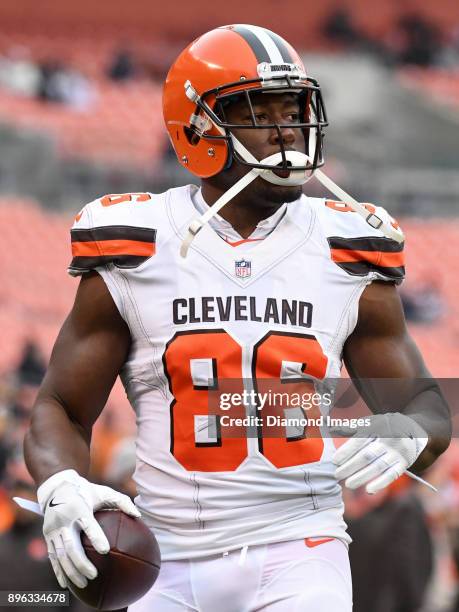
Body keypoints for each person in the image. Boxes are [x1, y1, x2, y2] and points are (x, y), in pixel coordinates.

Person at [24, 24, 451, 611]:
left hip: (300, 549)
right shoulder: (137, 244)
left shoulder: (347, 245)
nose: (290, 132)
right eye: (261, 112)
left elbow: (424, 403)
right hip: (162, 558)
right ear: (198, 128)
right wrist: (59, 485)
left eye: (295, 109)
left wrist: (408, 434)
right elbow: (60, 407)